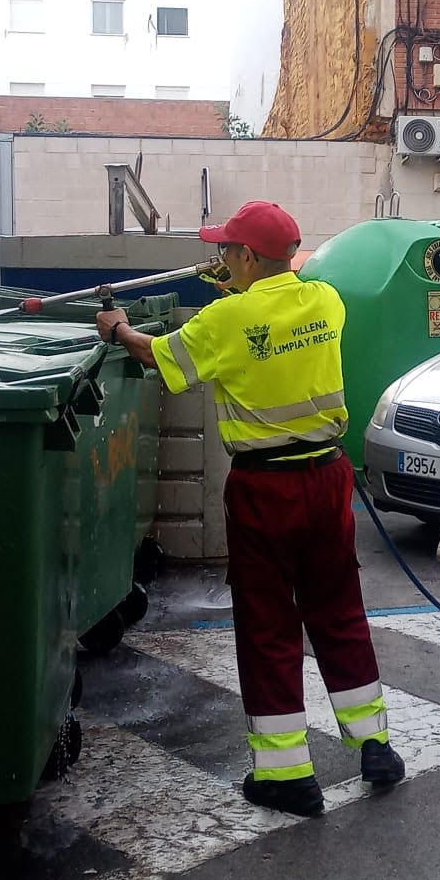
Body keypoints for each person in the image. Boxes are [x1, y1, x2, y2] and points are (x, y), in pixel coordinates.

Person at [95, 201, 405, 817]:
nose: (220, 259)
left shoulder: (224, 319)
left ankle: (286, 775)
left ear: (245, 257)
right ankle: (375, 746)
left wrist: (118, 329)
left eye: (227, 251)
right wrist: (242, 281)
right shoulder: (326, 302)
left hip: (266, 489)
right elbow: (277, 301)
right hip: (326, 479)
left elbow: (160, 358)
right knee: (338, 610)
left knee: (268, 626)